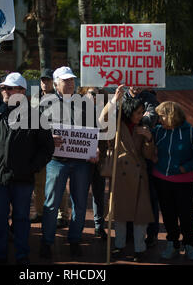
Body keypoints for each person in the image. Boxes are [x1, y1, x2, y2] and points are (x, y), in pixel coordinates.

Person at [0, 50, 54, 264]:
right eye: (4, 88)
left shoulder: (36, 117)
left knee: (21, 220)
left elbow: (47, 148)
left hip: (23, 180)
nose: (6, 92)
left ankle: (22, 256)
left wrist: (32, 167)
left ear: (22, 91)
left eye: (10, 89)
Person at [40, 66, 99, 259]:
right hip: (56, 161)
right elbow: (37, 132)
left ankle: (75, 240)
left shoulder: (85, 103)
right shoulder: (44, 103)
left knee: (80, 203)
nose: (70, 83)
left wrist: (95, 148)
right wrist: (49, 138)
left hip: (81, 162)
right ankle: (46, 242)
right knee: (51, 203)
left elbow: (93, 131)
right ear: (56, 83)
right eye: (65, 80)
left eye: (72, 79)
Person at [100, 86, 155, 262]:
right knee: (120, 215)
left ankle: (140, 249)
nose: (142, 115)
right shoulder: (117, 126)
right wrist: (114, 100)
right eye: (138, 112)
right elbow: (103, 120)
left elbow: (149, 155)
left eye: (142, 112)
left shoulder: (144, 127)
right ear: (130, 111)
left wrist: (148, 138)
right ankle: (119, 246)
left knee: (141, 216)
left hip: (140, 176)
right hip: (120, 175)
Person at [152, 101, 193, 260]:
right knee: (168, 215)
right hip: (161, 179)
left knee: (186, 215)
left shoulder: (191, 132)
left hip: (185, 182)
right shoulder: (158, 131)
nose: (159, 120)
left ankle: (189, 245)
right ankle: (172, 243)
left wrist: (184, 169)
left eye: (162, 117)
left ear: (171, 116)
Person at [124, 86, 160, 247]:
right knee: (128, 195)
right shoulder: (120, 95)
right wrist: (138, 117)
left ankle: (152, 233)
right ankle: (129, 233)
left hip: (145, 155)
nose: (135, 85)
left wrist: (131, 119)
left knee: (150, 196)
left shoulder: (150, 98)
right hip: (127, 157)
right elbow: (114, 119)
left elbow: (152, 118)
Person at [78, 86, 108, 239]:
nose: (95, 97)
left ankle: (99, 226)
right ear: (84, 93)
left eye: (98, 94)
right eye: (91, 93)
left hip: (99, 159)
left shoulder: (104, 109)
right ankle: (78, 227)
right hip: (82, 160)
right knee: (80, 195)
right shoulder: (77, 109)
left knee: (98, 194)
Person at [30, 68, 55, 224]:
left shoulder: (59, 98)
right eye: (43, 80)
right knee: (38, 182)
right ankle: (39, 212)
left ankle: (62, 214)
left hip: (55, 143)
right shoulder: (35, 97)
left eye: (48, 80)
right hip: (38, 144)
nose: (45, 83)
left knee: (56, 181)